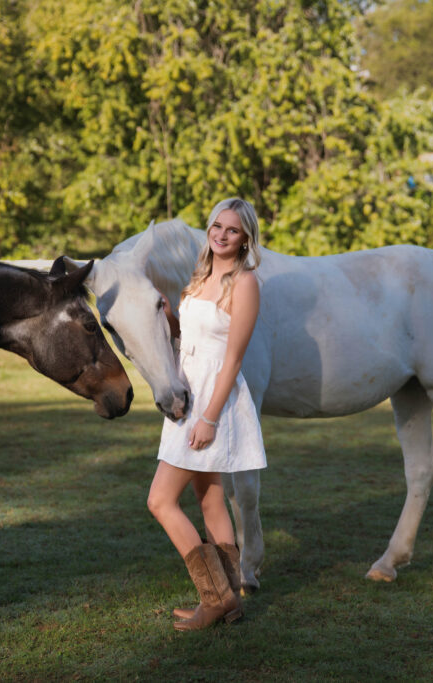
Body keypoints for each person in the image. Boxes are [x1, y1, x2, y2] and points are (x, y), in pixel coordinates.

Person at [147, 197, 267, 631]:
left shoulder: (246, 283)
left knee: (160, 500)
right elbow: (192, 337)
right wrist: (170, 318)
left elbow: (233, 358)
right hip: (187, 393)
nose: (220, 235)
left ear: (245, 237)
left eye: (232, 230)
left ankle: (214, 598)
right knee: (210, 499)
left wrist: (209, 418)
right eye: (216, 226)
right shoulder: (199, 277)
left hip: (213, 402)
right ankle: (230, 601)